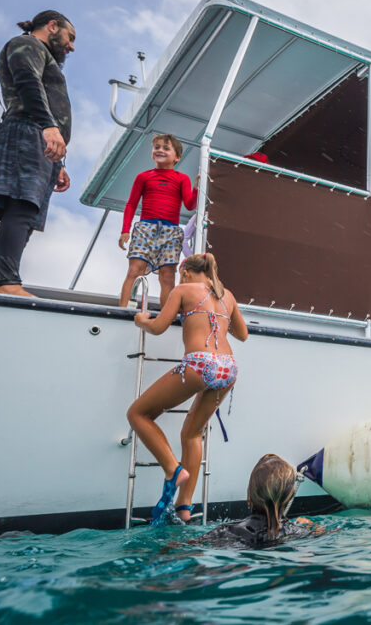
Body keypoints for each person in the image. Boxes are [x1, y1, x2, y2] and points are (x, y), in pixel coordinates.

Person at [126, 253, 249, 525]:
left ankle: (172, 469)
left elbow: (158, 327)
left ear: (186, 273)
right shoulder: (227, 295)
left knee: (137, 414)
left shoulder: (183, 289)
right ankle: (184, 505)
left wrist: (141, 321)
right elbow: (242, 335)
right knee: (192, 435)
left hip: (200, 364)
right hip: (228, 368)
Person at [0, 10, 76, 296]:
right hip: (27, 130)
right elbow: (27, 82)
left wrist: (58, 162)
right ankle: (7, 283)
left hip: (40, 140)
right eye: (70, 37)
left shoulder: (40, 52)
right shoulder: (28, 45)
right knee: (21, 205)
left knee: (28, 211)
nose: (71, 46)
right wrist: (48, 126)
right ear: (52, 26)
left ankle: (7, 281)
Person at [118, 134, 197, 307]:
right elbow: (131, 204)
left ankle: (166, 316)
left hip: (171, 231)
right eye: (157, 147)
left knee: (167, 276)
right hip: (145, 228)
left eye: (166, 148)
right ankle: (121, 309)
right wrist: (125, 229)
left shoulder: (182, 178)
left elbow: (190, 205)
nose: (160, 150)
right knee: (134, 270)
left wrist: (196, 188)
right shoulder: (143, 176)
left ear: (177, 157)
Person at [191, 454, 317, 547]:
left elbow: (186, 546)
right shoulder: (298, 532)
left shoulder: (225, 531)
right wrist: (312, 527)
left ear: (250, 494)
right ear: (289, 497)